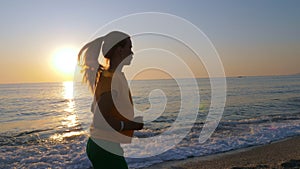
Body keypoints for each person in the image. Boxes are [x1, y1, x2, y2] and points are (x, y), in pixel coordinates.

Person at [78, 31, 144, 169]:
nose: (132, 53)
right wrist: (132, 125)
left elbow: (97, 111)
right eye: (129, 48)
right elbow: (100, 121)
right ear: (119, 50)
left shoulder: (113, 76)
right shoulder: (111, 79)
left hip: (103, 145)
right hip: (105, 147)